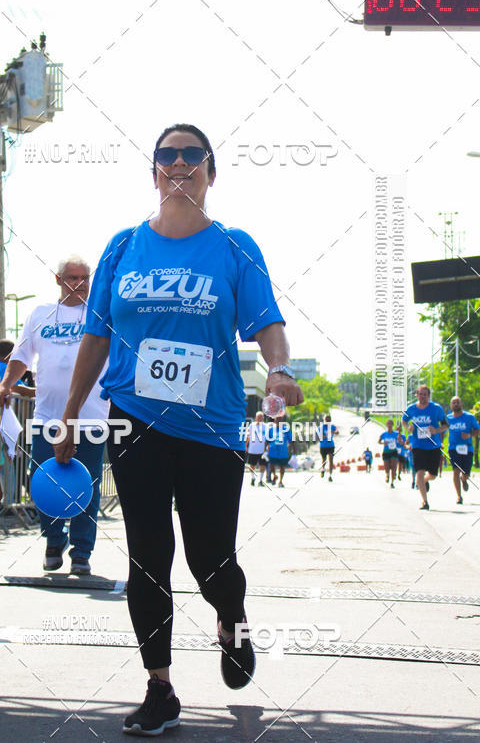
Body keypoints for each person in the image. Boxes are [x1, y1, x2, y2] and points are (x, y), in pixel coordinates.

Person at [56, 124, 304, 736]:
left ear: (211, 173)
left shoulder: (234, 247)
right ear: (155, 172)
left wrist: (280, 370)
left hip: (211, 427)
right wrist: (68, 415)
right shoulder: (122, 248)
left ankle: (232, 617)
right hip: (134, 419)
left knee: (210, 557)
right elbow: (96, 336)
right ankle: (160, 687)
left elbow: (267, 321)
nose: (179, 163)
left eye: (193, 155)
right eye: (167, 155)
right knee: (148, 555)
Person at [0, 257, 109, 576]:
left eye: (85, 278)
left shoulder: (101, 314)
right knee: (45, 480)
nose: (80, 283)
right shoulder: (40, 314)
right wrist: (6, 384)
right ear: (58, 279)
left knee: (88, 484)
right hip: (47, 417)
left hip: (91, 418)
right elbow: (20, 356)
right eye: (73, 278)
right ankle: (53, 541)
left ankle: (82, 551)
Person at [402, 385, 447, 510]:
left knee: (433, 474)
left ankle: (425, 481)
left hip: (433, 445)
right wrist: (408, 427)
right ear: (416, 395)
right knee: (419, 471)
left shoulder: (436, 408)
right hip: (418, 445)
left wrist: (436, 429)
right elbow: (404, 421)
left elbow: (445, 425)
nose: (422, 396)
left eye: (425, 394)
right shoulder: (411, 409)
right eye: (420, 394)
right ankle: (424, 501)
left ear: (428, 396)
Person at [446, 396, 480, 505]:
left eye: (458, 402)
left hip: (467, 448)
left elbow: (477, 430)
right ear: (451, 405)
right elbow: (441, 430)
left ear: (461, 404)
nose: (456, 404)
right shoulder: (448, 418)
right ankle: (459, 496)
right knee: (456, 471)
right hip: (453, 448)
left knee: (465, 473)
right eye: (454, 402)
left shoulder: (469, 417)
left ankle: (464, 479)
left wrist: (469, 434)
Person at [267, 414, 292, 486]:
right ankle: (274, 475)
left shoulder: (286, 429)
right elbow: (267, 440)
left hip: (283, 451)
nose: (278, 420)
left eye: (280, 419)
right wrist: (265, 450)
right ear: (274, 420)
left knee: (282, 466)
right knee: (272, 465)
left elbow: (291, 440)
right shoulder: (271, 429)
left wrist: (293, 450)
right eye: (277, 419)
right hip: (272, 451)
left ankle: (280, 481)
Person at [246, 411, 267, 486]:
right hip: (253, 449)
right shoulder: (252, 425)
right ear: (256, 418)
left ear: (263, 418)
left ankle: (261, 481)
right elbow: (247, 437)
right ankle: (253, 478)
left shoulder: (266, 426)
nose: (260, 418)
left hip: (262, 450)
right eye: (258, 417)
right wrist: (245, 445)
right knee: (252, 466)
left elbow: (267, 439)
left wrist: (266, 449)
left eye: (261, 417)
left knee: (263, 466)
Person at [379, 418, 402, 488]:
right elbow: (379, 441)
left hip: (393, 451)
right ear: (386, 425)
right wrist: (383, 442)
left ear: (392, 425)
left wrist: (399, 433)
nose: (389, 425)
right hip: (386, 452)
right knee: (387, 467)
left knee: (394, 467)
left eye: (390, 424)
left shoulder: (396, 433)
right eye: (388, 424)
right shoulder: (384, 434)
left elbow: (400, 441)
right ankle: (387, 475)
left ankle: (392, 482)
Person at [317, 413, 338, 481]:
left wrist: (334, 432)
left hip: (330, 445)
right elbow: (319, 438)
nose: (328, 421)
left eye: (329, 420)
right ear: (324, 420)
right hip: (323, 446)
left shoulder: (332, 426)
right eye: (326, 419)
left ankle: (330, 475)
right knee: (324, 460)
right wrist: (326, 435)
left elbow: (337, 431)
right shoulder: (321, 427)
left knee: (331, 460)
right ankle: (323, 469)